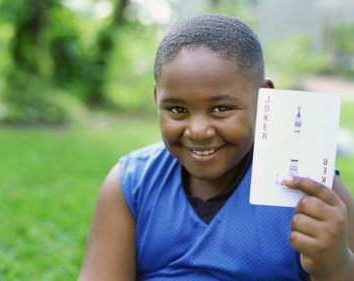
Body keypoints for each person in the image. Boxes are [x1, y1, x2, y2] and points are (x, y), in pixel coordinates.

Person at [78, 14, 354, 281]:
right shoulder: (132, 184)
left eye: (221, 108)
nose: (198, 131)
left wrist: (335, 265)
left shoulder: (314, 191)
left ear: (265, 98)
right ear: (156, 99)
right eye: (177, 109)